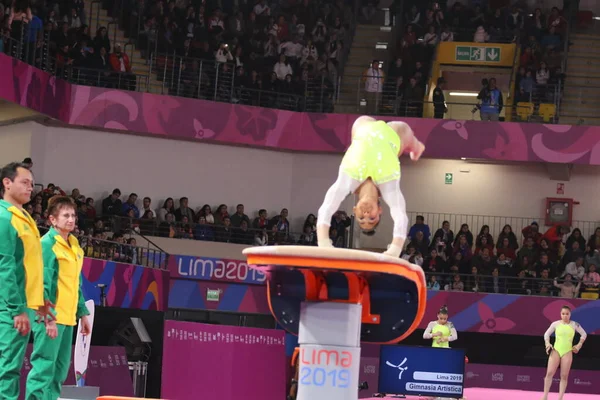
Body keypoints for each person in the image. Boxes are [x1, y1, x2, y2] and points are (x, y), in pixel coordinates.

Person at [317, 116, 425, 257]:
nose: (366, 215)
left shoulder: (348, 181)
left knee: (360, 127)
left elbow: (327, 207)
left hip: (363, 127)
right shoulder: (388, 185)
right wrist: (395, 249)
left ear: (354, 210)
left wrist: (324, 242)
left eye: (361, 219)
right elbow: (400, 216)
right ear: (379, 210)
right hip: (395, 134)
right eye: (372, 219)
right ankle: (416, 147)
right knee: (409, 137)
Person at [26, 195, 92, 400]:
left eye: (73, 215)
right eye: (65, 215)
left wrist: (82, 314)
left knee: (59, 372)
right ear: (52, 220)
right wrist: (48, 318)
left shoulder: (75, 247)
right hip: (49, 317)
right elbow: (42, 284)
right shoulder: (46, 244)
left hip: (68, 318)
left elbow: (76, 284)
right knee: (43, 368)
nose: (71, 219)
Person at [0, 162, 53, 399]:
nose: (30, 188)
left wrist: (40, 300)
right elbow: (5, 265)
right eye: (24, 182)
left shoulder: (24, 218)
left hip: (25, 305)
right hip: (9, 307)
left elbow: (31, 266)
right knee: (7, 368)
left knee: (11, 367)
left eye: (32, 184)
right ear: (7, 183)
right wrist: (16, 309)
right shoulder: (3, 217)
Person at [542, 305, 587, 400]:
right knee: (549, 373)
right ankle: (545, 396)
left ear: (570, 314)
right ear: (560, 314)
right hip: (556, 350)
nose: (565, 316)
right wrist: (547, 344)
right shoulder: (555, 324)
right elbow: (546, 334)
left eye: (567, 314)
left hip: (567, 351)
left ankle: (560, 398)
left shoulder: (574, 324)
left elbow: (584, 334)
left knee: (564, 376)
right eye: (563, 314)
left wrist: (579, 345)